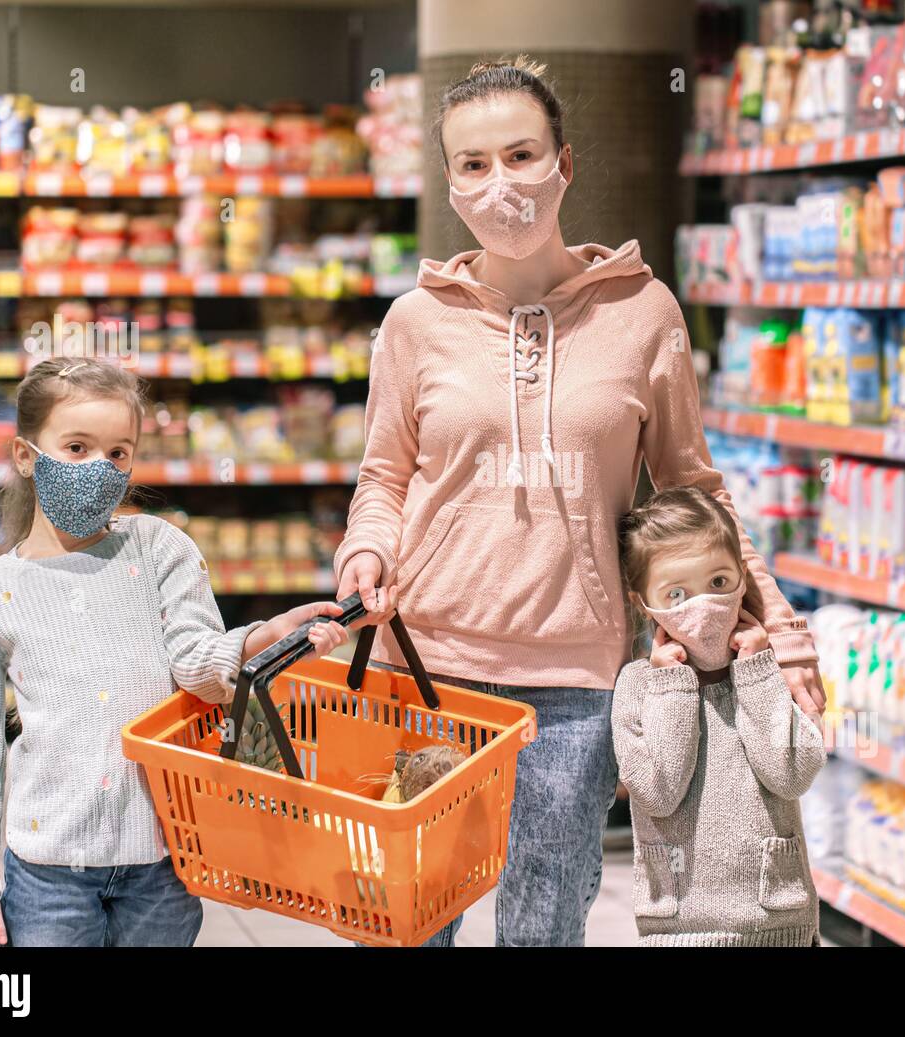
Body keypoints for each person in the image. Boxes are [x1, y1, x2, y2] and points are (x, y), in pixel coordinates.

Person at [335, 55, 824, 947]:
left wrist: (781, 633)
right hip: (426, 667)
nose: (500, 183)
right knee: (412, 920)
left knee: (546, 925)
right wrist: (366, 550)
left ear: (565, 163)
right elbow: (385, 478)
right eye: (473, 164)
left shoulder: (644, 312)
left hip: (575, 686)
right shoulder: (415, 322)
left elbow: (692, 492)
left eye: (521, 155)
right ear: (450, 183)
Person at [0, 358, 351, 947]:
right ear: (26, 456)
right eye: (77, 447)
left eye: (118, 453)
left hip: (163, 857)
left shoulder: (161, 549)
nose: (98, 468)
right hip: (47, 869)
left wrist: (266, 636)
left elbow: (196, 665)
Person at [613, 486, 824, 946]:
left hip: (778, 922)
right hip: (678, 927)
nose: (704, 605)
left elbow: (792, 773)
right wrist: (672, 686)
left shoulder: (768, 672)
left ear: (743, 579)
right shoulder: (636, 686)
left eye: (719, 583)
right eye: (676, 594)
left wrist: (756, 672)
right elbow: (657, 793)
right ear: (642, 602)